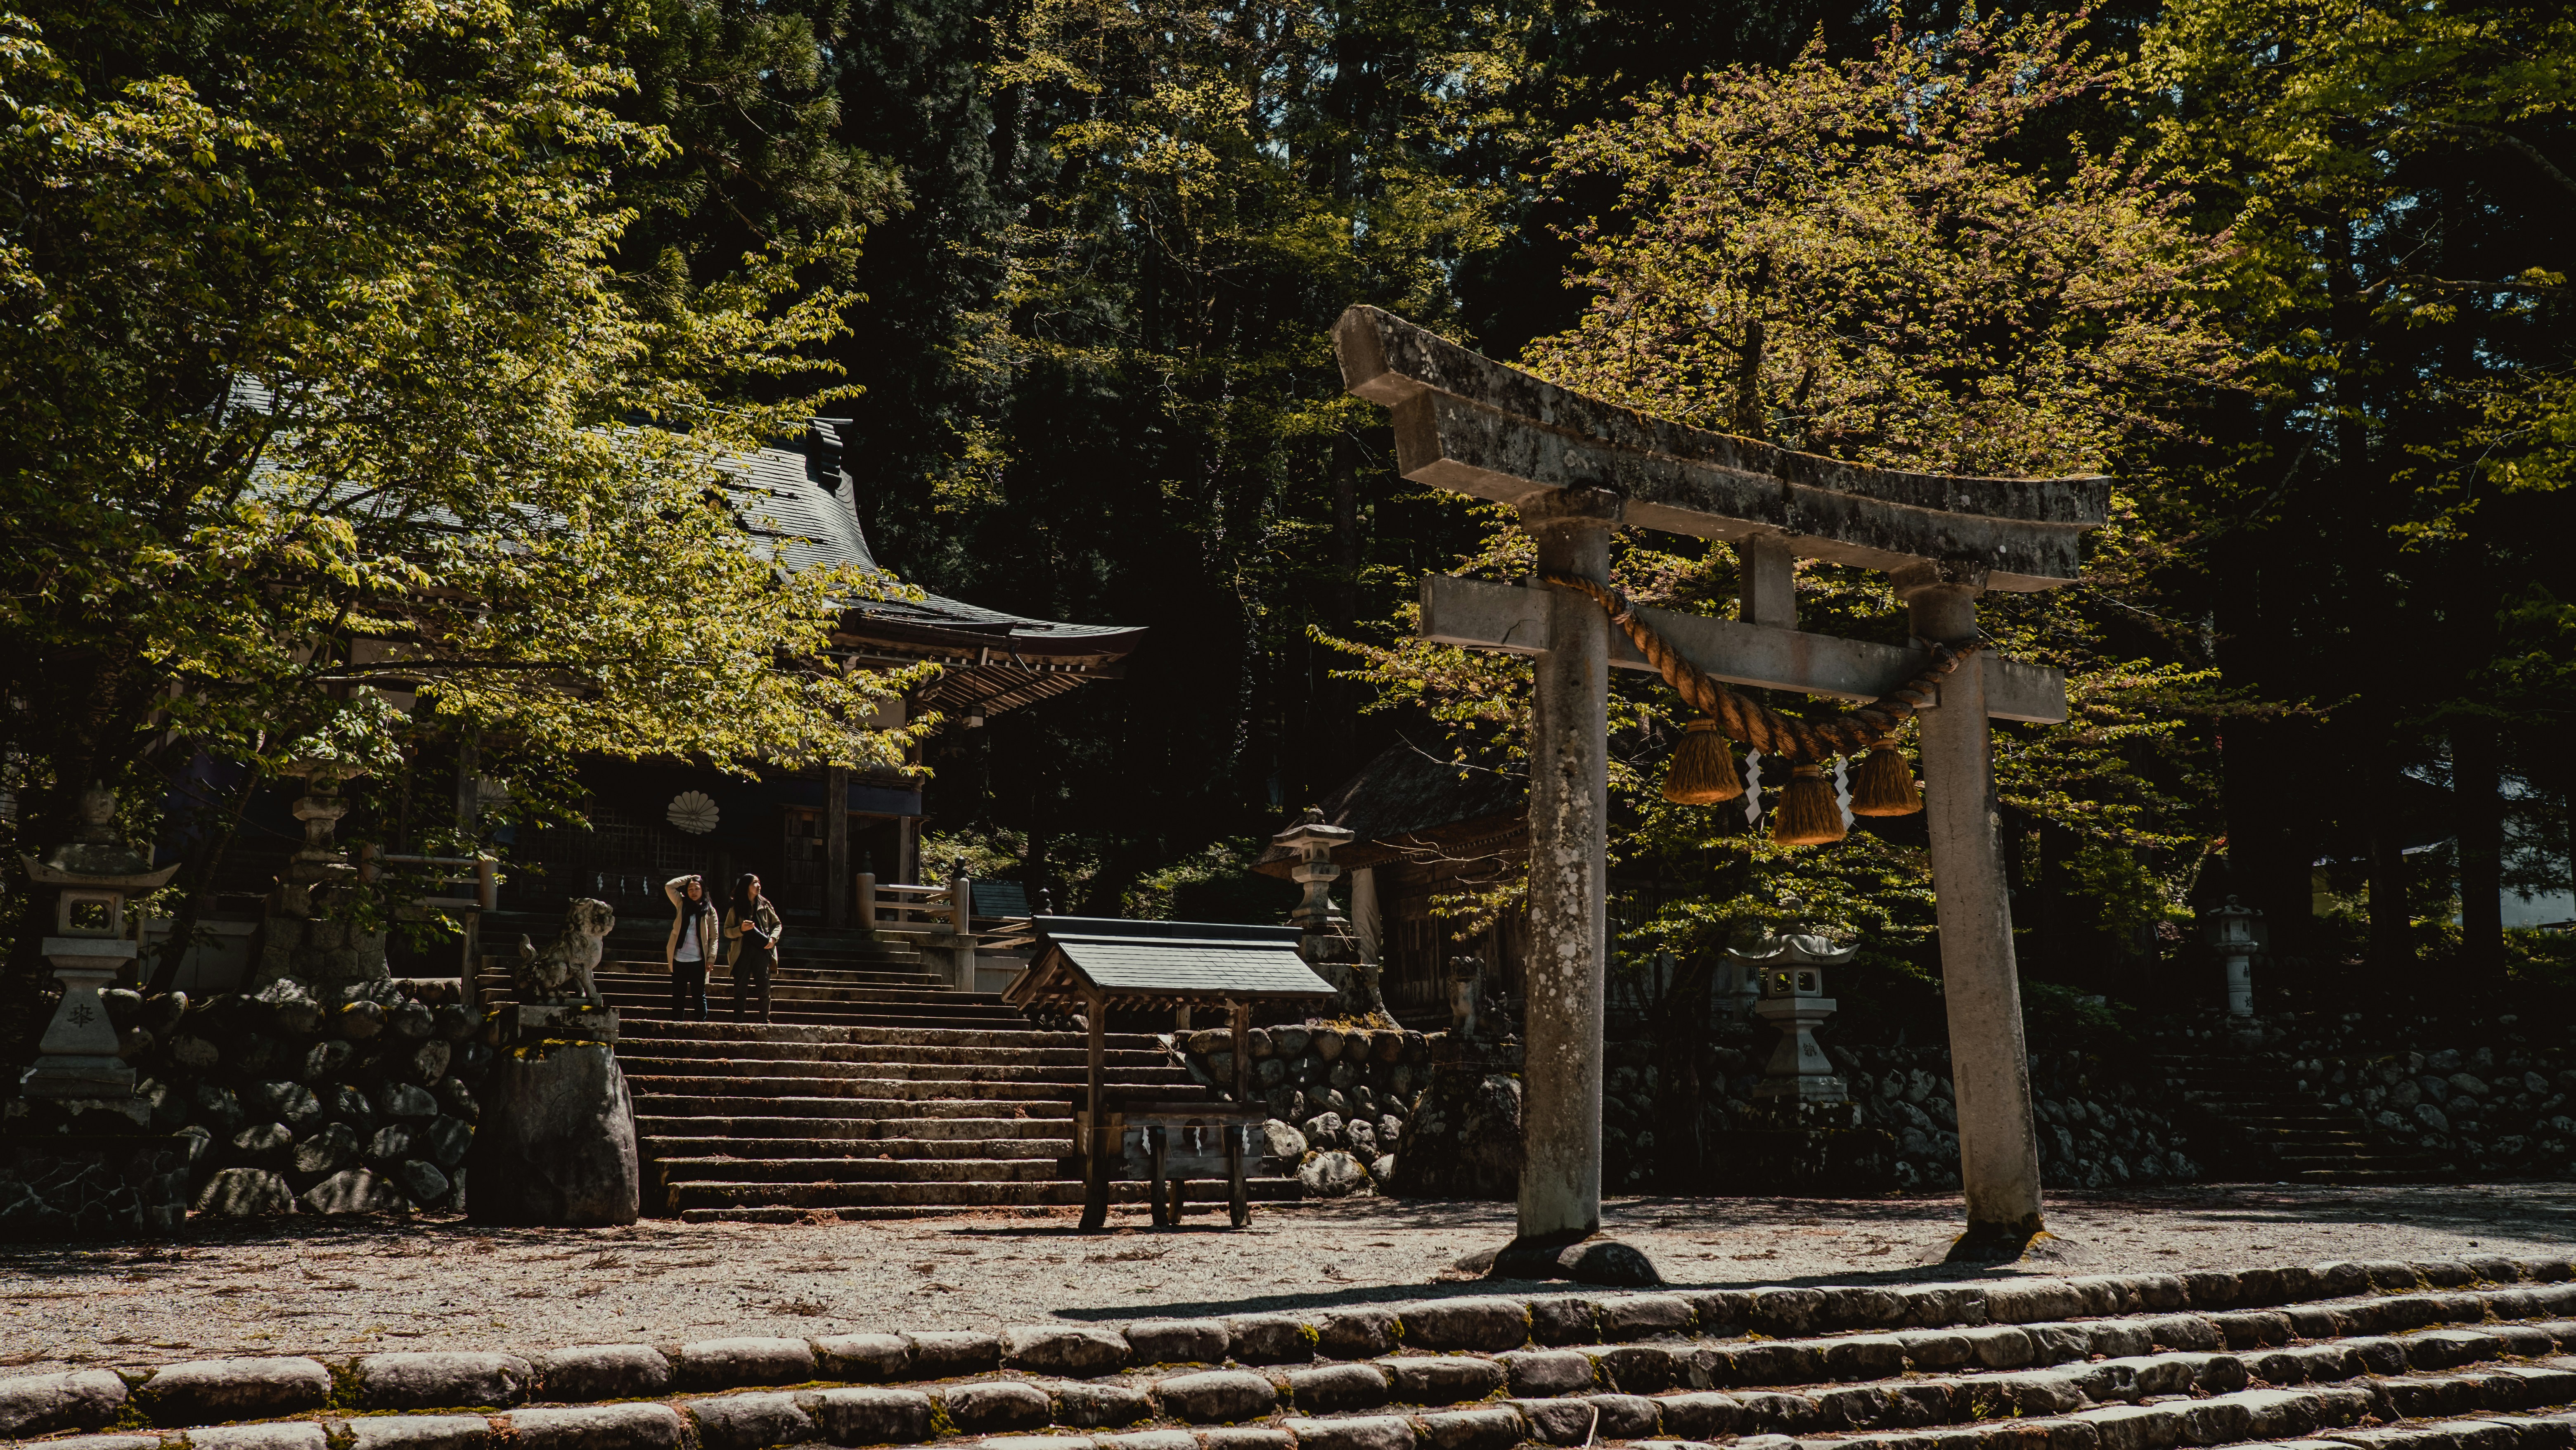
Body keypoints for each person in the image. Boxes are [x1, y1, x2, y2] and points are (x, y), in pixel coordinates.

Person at [724, 872, 783, 1023]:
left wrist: (773, 938)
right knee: (740, 989)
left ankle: (764, 1020)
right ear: (746, 887)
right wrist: (741, 930)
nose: (758, 886)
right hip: (742, 950)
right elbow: (727, 931)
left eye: (758, 882)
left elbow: (777, 925)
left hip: (762, 950)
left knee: (764, 987)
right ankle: (738, 1021)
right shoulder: (736, 908)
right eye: (754, 883)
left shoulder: (765, 905)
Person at [663, 873, 720, 1020]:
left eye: (697, 888)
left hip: (698, 959)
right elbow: (670, 886)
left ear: (703, 890)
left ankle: (701, 1025)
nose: (694, 892)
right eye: (690, 889)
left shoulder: (710, 911)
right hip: (679, 957)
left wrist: (711, 958)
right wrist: (689, 878)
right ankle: (676, 1025)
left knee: (699, 995)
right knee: (678, 994)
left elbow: (714, 937)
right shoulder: (681, 904)